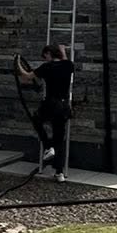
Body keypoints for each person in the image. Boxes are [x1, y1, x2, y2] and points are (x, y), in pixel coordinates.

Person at [16, 42, 74, 177]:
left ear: (49, 53)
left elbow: (26, 76)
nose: (45, 58)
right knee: (59, 137)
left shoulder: (47, 67)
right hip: (64, 106)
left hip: (51, 104)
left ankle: (48, 146)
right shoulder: (68, 65)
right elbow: (65, 60)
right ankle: (59, 172)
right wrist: (62, 50)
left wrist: (18, 62)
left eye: (45, 56)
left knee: (36, 120)